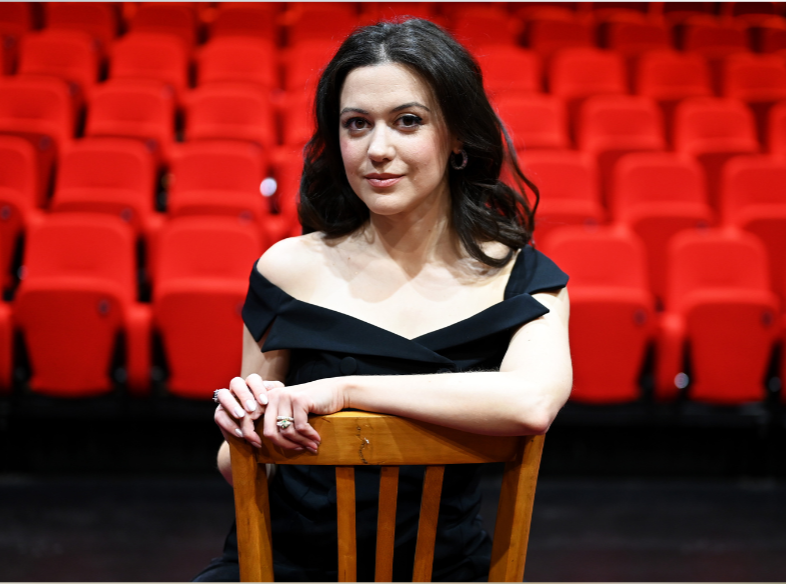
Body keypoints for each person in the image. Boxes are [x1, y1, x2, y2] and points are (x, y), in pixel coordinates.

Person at [195, 17, 572, 582]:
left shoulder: (524, 279)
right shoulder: (287, 269)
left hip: (444, 572)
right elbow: (238, 465)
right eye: (357, 124)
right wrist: (248, 431)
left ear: (458, 137)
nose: (377, 149)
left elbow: (531, 404)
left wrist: (344, 391)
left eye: (407, 121)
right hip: (284, 568)